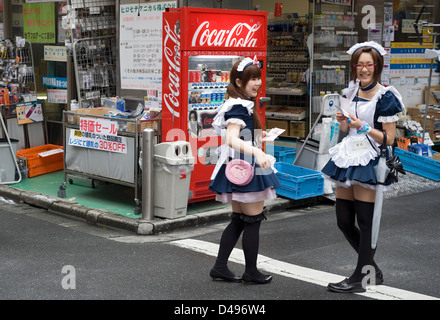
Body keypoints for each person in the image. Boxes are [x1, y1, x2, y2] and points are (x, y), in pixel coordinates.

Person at [321, 41, 404, 293]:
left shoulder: (386, 96)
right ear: (354, 66)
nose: (364, 69)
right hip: (349, 155)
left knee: (366, 222)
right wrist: (343, 122)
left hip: (370, 157)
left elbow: (390, 138)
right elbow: (346, 129)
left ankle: (361, 277)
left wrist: (364, 127)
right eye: (360, 64)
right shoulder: (349, 92)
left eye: (369, 64)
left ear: (377, 66)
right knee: (344, 221)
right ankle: (372, 269)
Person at [208, 56, 281, 284]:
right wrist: (257, 152)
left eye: (259, 78)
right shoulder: (239, 105)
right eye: (253, 79)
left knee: (239, 219)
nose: (258, 83)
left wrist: (261, 137)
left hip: (238, 167)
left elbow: (239, 136)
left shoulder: (241, 103)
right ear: (239, 82)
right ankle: (250, 272)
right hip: (246, 168)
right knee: (252, 220)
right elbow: (231, 138)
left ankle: (220, 266)